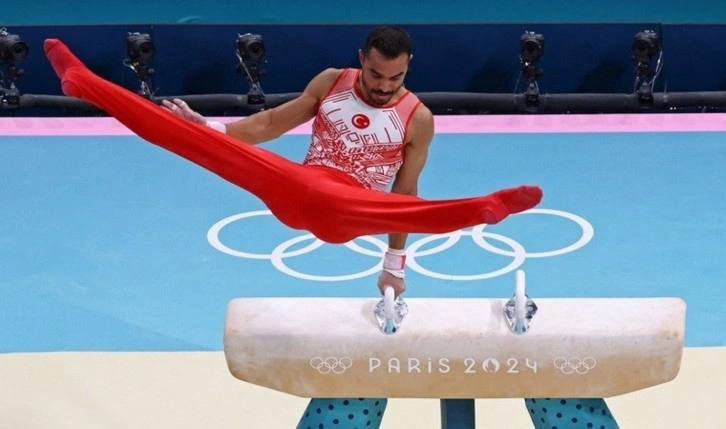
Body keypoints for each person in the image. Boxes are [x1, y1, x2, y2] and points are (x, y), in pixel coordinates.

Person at [43, 27, 619, 429]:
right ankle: (83, 83)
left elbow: (404, 195)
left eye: (394, 77)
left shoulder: (417, 118)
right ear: (360, 60)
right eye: (375, 74)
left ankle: (478, 208)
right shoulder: (331, 81)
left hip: (354, 212)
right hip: (299, 189)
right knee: (189, 140)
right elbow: (270, 125)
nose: (383, 85)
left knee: (389, 203)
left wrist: (394, 266)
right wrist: (212, 129)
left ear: (408, 68)